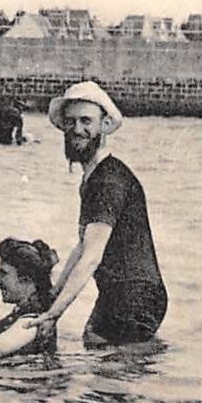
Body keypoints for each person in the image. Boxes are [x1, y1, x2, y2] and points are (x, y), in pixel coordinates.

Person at [23, 81, 167, 347]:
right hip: (126, 293)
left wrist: (55, 313)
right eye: (71, 122)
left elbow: (91, 257)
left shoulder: (107, 181)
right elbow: (82, 246)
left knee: (101, 356)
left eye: (86, 121)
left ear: (104, 125)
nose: (78, 129)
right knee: (105, 359)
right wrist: (54, 295)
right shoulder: (95, 176)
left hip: (133, 296)